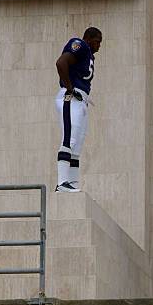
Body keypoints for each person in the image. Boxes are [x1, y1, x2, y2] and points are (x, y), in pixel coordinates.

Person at [54, 27, 102, 192]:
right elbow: (61, 62)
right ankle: (62, 183)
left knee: (77, 144)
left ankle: (72, 183)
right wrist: (70, 88)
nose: (99, 46)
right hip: (71, 97)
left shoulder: (89, 54)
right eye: (97, 41)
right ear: (89, 38)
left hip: (81, 100)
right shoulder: (80, 45)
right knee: (69, 138)